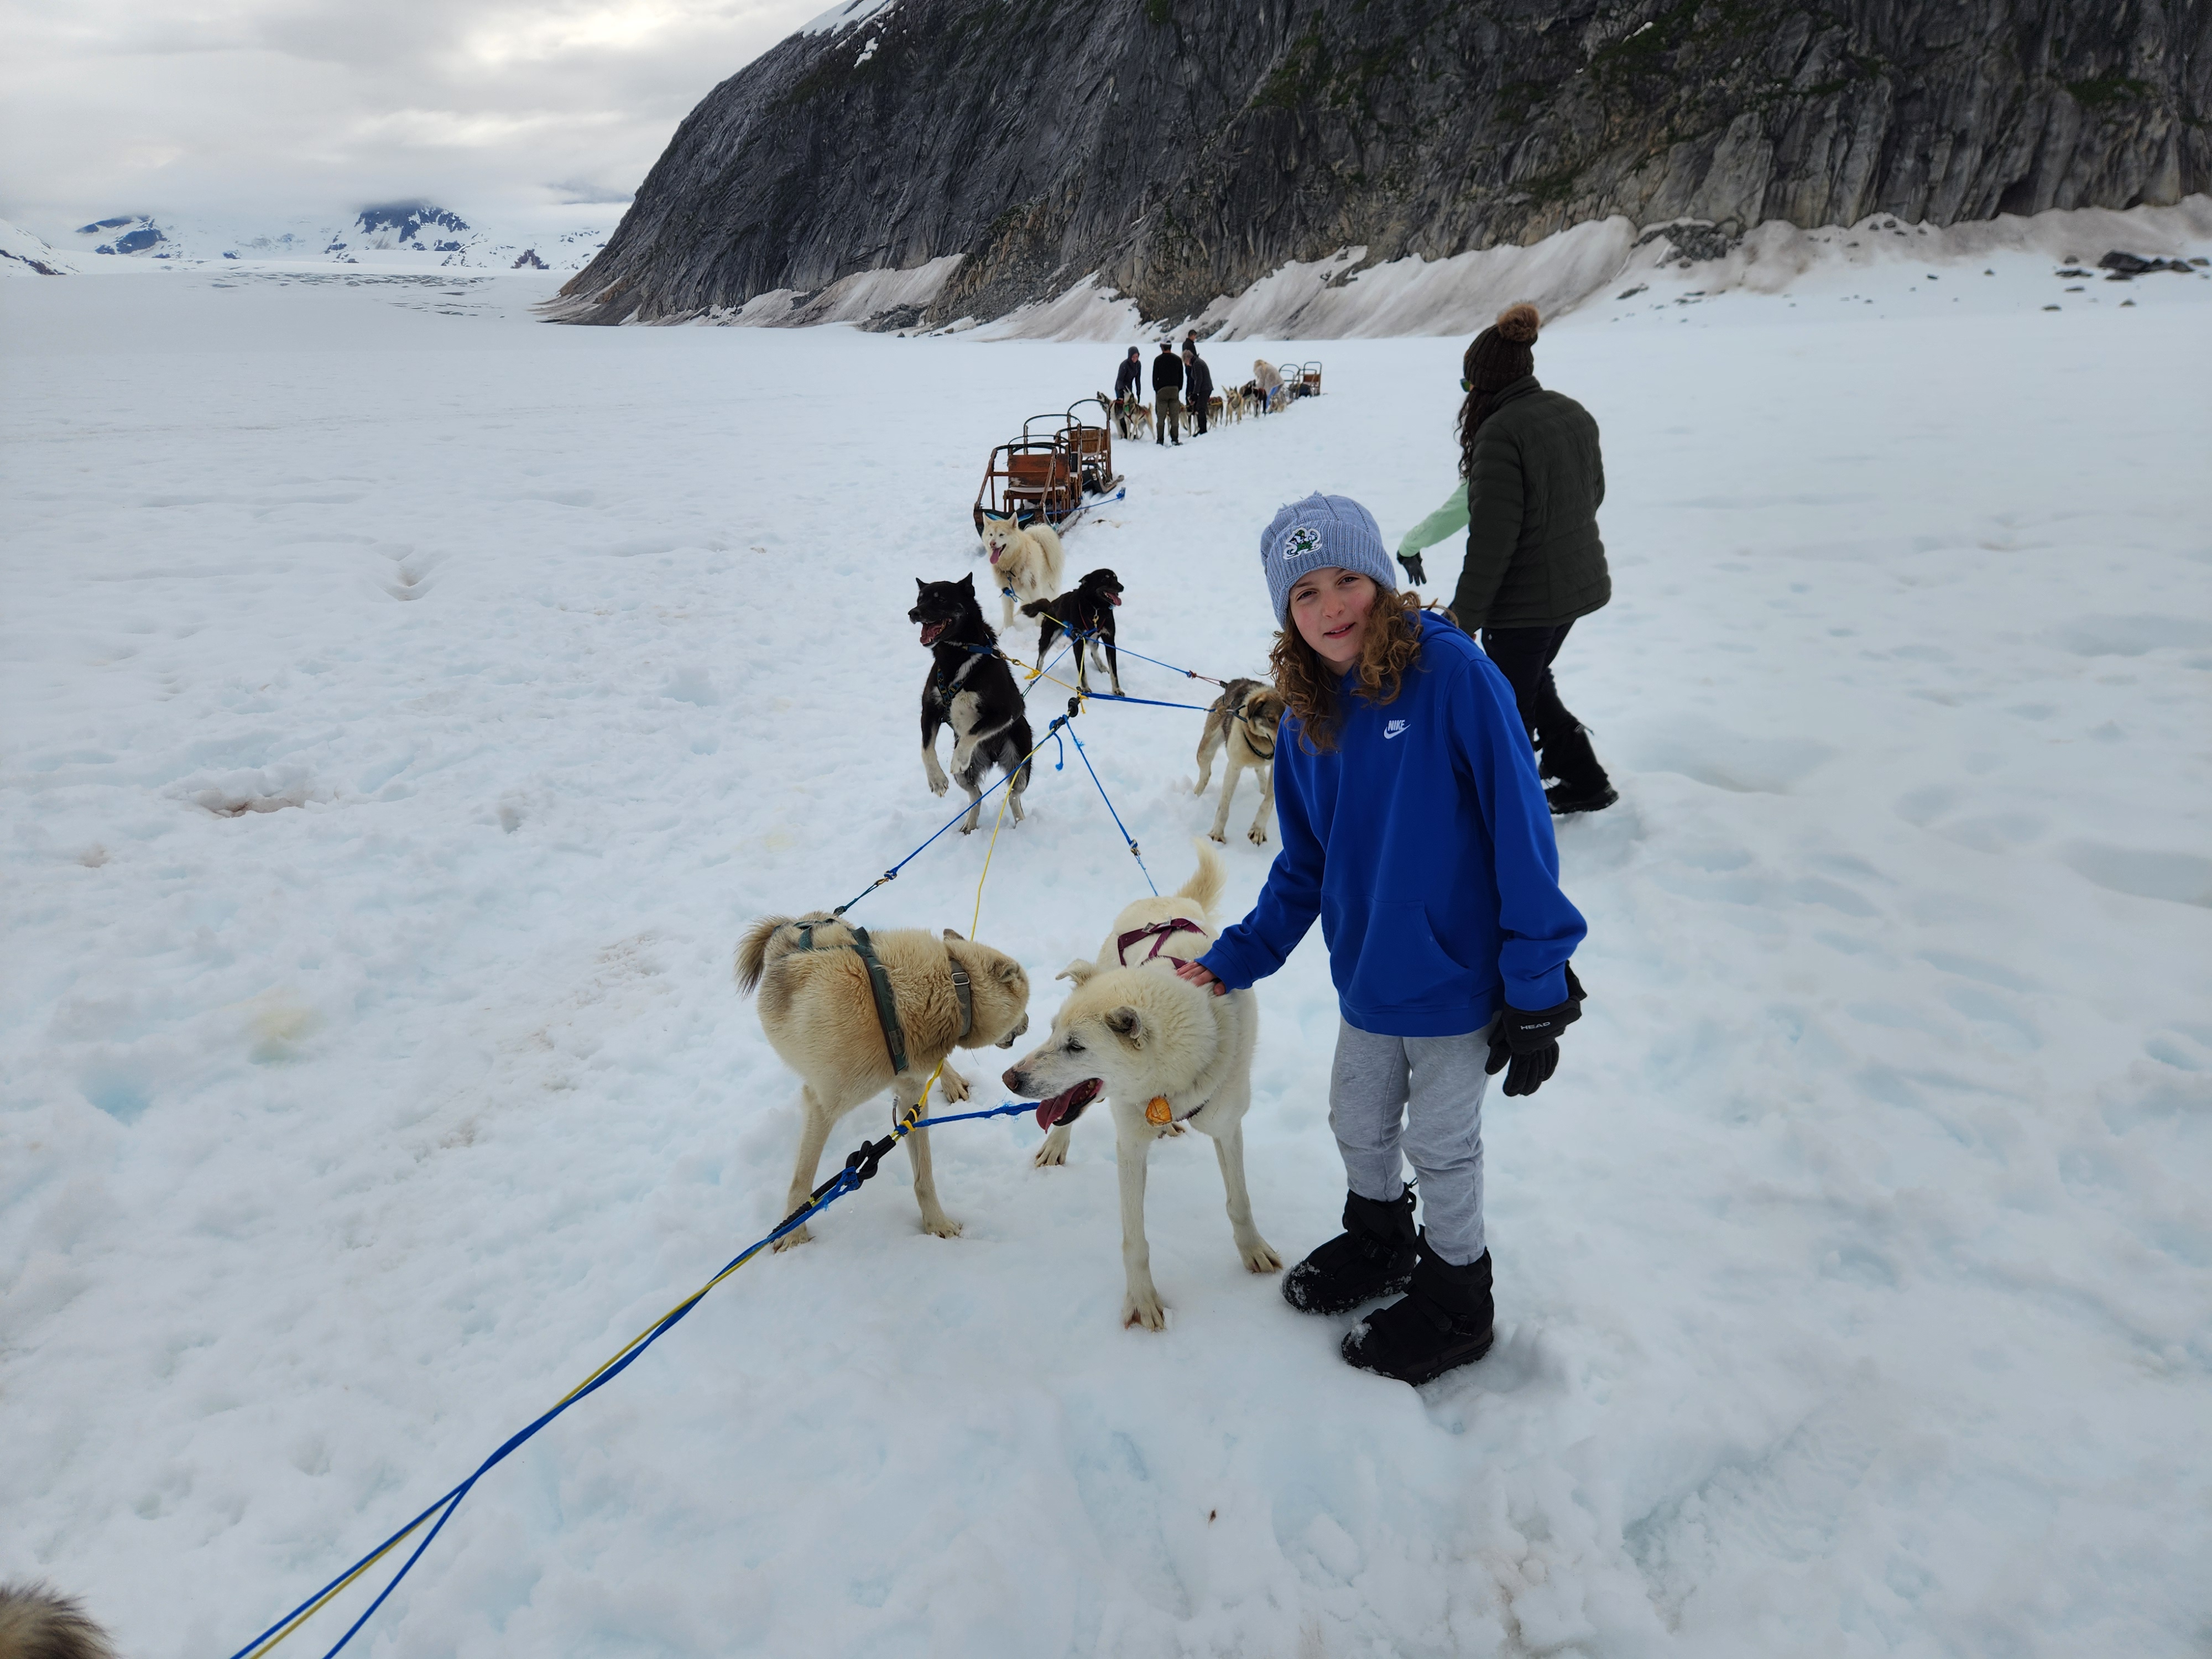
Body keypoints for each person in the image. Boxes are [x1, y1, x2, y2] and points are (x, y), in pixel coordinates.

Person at [1173, 493, 1589, 1386]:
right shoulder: (1303, 716)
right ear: (1286, 612)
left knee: (1442, 1148)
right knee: (1357, 1121)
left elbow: (1523, 830)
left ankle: (1457, 1294)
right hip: (1367, 982)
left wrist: (1538, 979)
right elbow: (1304, 868)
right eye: (1306, 593)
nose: (1332, 607)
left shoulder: (1454, 677)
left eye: (1348, 580)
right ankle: (1380, 1238)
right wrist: (1234, 955)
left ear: (1382, 582)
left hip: (1456, 983)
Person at [1426, 302, 1616, 815]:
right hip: (1577, 588)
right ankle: (1582, 776)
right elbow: (1592, 494)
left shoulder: (1500, 436)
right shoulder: (1571, 411)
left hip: (1528, 603)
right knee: (1529, 680)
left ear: (1483, 386)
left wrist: (1461, 620)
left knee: (1510, 709)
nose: (1466, 398)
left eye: (1468, 387)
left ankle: (1512, 814)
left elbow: (1492, 541)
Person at [1151, 341, 1185, 446]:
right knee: (1175, 417)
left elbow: (1154, 377)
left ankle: (1160, 439)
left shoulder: (1158, 360)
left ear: (1162, 347)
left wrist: (1157, 389)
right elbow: (1181, 377)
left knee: (1161, 417)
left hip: (1162, 390)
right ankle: (1175, 439)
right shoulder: (1178, 359)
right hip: (1174, 389)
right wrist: (1178, 388)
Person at [1183, 345, 1214, 436]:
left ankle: (1203, 430)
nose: (1186, 364)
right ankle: (1202, 428)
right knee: (1200, 407)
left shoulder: (1197, 364)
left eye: (1185, 362)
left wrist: (1195, 394)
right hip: (1204, 388)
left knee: (1201, 407)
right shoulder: (1196, 363)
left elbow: (1199, 379)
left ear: (1188, 359)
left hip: (1205, 388)